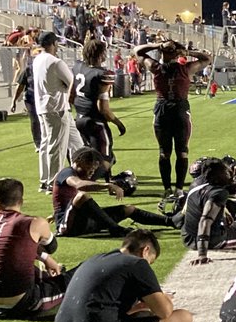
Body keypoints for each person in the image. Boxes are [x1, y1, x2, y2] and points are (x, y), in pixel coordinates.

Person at [53, 230, 195, 322]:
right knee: (184, 317)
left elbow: (101, 306)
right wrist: (164, 298)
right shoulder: (137, 263)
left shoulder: (95, 260)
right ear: (145, 251)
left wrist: (139, 306)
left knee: (141, 313)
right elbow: (164, 312)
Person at [134, 39, 211, 198]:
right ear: (177, 53)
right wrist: (187, 52)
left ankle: (167, 189)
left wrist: (157, 45)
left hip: (162, 109)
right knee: (182, 151)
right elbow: (206, 58)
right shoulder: (186, 68)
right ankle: (179, 189)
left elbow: (137, 51)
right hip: (180, 109)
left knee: (164, 152)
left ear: (162, 52)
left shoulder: (156, 67)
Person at [53, 148, 173, 236]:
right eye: (91, 167)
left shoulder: (79, 174)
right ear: (81, 162)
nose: (93, 171)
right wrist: (107, 185)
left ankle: (170, 221)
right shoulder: (67, 173)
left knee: (128, 209)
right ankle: (116, 229)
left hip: (85, 222)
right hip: (68, 227)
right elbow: (79, 185)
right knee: (82, 196)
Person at [0, 178, 71, 320]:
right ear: (21, 201)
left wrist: (45, 258)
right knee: (80, 275)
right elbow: (51, 247)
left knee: (21, 264)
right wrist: (46, 255)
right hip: (21, 301)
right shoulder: (34, 223)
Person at [32, 31, 81, 192]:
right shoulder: (56, 62)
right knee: (56, 147)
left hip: (44, 107)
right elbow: (71, 82)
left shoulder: (37, 59)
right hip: (57, 108)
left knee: (74, 143)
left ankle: (78, 173)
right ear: (54, 44)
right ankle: (54, 183)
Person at [73, 38, 126, 178]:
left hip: (79, 117)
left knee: (88, 155)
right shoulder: (102, 74)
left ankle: (106, 179)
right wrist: (118, 123)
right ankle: (89, 182)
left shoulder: (77, 67)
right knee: (107, 158)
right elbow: (103, 108)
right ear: (101, 54)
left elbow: (71, 95)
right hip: (95, 121)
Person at [184, 159, 236, 263]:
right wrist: (202, 254)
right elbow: (205, 220)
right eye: (225, 171)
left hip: (188, 237)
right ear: (219, 174)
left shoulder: (196, 184)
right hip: (210, 240)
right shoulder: (219, 193)